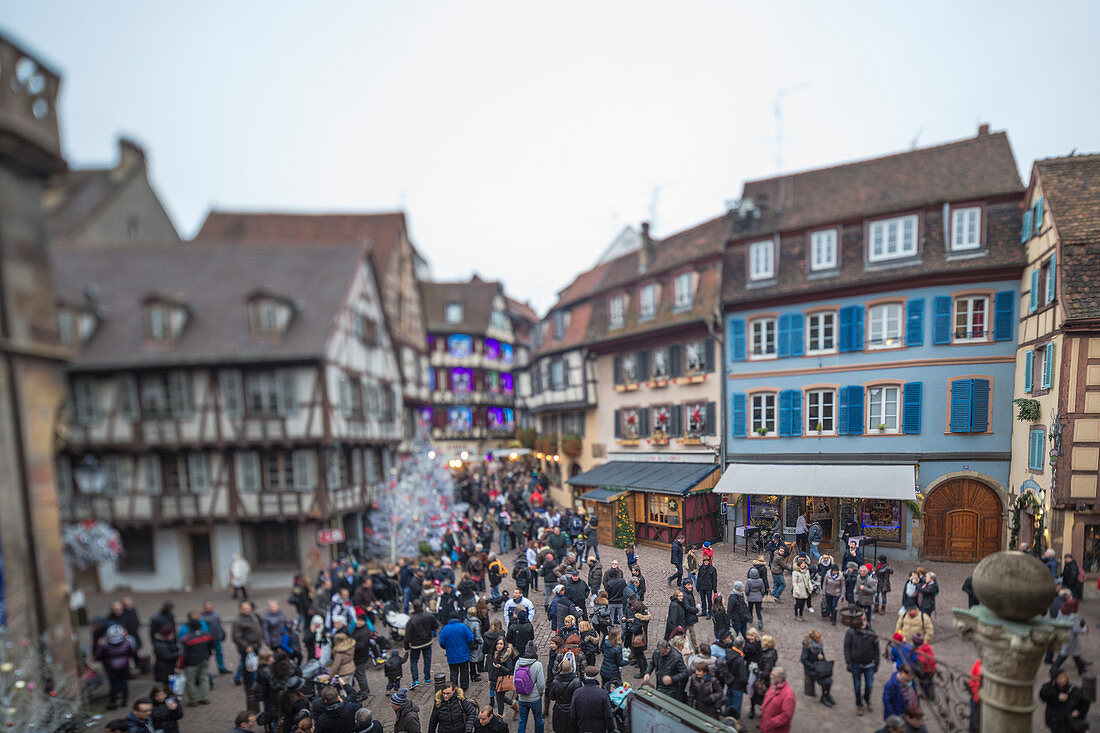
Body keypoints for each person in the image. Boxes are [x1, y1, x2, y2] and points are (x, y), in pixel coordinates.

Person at [844, 614, 879, 717]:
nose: (863, 623)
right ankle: (859, 704)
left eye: (865, 620)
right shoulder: (851, 633)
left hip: (869, 665)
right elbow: (847, 648)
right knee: (857, 686)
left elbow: (877, 650)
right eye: (861, 621)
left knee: (869, 685)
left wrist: (876, 663)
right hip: (856, 664)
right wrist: (848, 662)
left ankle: (867, 699)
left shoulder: (872, 633)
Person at [95, 624, 137, 710]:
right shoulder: (126, 643)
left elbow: (99, 655)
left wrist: (99, 646)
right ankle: (124, 701)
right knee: (124, 683)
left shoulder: (105, 646)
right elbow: (132, 653)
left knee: (113, 684)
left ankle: (113, 702)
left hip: (111, 668)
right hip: (124, 666)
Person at [177, 612, 213, 706]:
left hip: (191, 663)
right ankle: (205, 697)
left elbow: (182, 654)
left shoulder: (186, 639)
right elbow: (211, 647)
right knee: (204, 678)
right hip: (204, 660)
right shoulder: (207, 635)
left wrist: (180, 666)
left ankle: (193, 700)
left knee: (190, 681)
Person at [1041, 666, 1091, 732]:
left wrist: (1079, 711)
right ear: (1054, 680)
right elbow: (1043, 694)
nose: (1062, 680)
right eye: (1059, 678)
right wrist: (1057, 696)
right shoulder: (1050, 689)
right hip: (1056, 722)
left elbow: (1086, 701)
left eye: (1063, 677)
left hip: (1069, 724)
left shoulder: (1074, 690)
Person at [406, 601, 441, 688]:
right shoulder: (429, 616)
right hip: (427, 641)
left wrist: (406, 646)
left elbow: (407, 635)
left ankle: (415, 680)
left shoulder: (411, 620)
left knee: (414, 661)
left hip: (415, 644)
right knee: (427, 659)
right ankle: (427, 678)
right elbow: (436, 626)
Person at [1052, 598, 1091, 675]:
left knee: (1075, 654)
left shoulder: (1061, 611)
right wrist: (1084, 628)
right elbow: (1076, 629)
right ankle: (1053, 669)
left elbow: (1057, 621)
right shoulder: (1074, 616)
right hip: (1071, 638)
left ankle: (1081, 669)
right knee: (1064, 655)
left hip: (1063, 635)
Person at [515, 641, 547, 733]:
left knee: (522, 721)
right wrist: (540, 693)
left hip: (522, 698)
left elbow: (515, 681)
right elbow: (541, 684)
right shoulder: (538, 665)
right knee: (538, 719)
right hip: (535, 698)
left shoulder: (518, 663)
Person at [438, 613, 475, 691]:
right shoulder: (463, 627)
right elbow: (471, 638)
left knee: (453, 673)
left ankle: (454, 687)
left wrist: (447, 648)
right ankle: (464, 686)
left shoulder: (445, 629)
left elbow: (441, 642)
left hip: (451, 655)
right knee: (464, 671)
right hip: (463, 653)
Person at [801, 630, 836, 708]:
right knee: (824, 679)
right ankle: (824, 697)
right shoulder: (807, 647)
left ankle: (826, 695)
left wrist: (822, 660)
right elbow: (804, 659)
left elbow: (821, 654)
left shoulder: (819, 645)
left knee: (828, 679)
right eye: (819, 637)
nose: (821, 639)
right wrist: (814, 666)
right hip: (812, 669)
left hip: (819, 666)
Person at [548, 657, 581, 733]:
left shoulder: (555, 681)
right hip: (572, 709)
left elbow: (552, 697)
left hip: (559, 709)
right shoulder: (576, 682)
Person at [759, 667, 796, 733]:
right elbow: (767, 697)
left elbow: (786, 715)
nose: (770, 677)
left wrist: (771, 723)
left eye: (773, 675)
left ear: (780, 678)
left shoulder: (788, 695)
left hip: (774, 729)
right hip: (766, 725)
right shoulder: (773, 685)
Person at [466, 608, 485, 683]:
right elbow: (477, 635)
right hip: (475, 643)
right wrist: (481, 642)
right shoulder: (476, 623)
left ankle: (473, 673)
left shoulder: (466, 621)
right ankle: (473, 675)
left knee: (471, 658)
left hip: (469, 643)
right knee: (473, 659)